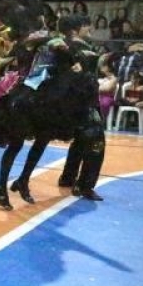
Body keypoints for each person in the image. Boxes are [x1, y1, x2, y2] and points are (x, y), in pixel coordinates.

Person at [55, 14, 106, 201]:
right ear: (78, 29)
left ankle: (67, 177)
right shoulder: (83, 50)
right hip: (85, 103)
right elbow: (87, 79)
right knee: (96, 142)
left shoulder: (57, 45)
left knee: (79, 140)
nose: (89, 30)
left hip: (66, 104)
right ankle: (85, 185)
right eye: (87, 27)